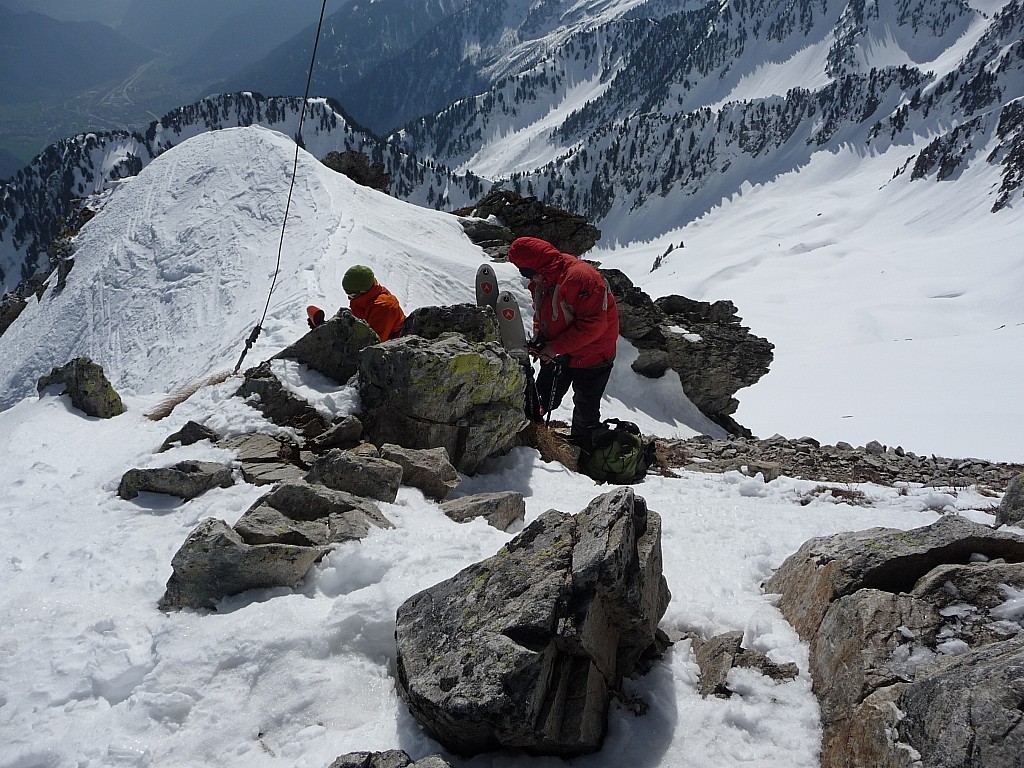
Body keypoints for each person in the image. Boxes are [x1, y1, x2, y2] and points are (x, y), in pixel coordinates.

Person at [508, 236, 619, 448]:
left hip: (593, 356)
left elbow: (594, 326)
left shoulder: (581, 278)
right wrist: (541, 337)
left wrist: (554, 347)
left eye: (527, 272)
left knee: (585, 409)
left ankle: (585, 454)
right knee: (540, 398)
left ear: (537, 265)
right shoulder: (543, 280)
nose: (528, 278)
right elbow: (542, 313)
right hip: (560, 351)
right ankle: (529, 440)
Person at [309, 265, 405, 340]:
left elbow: (374, 342)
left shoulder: (384, 307)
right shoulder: (367, 298)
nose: (349, 299)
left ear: (362, 292)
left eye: (352, 295)